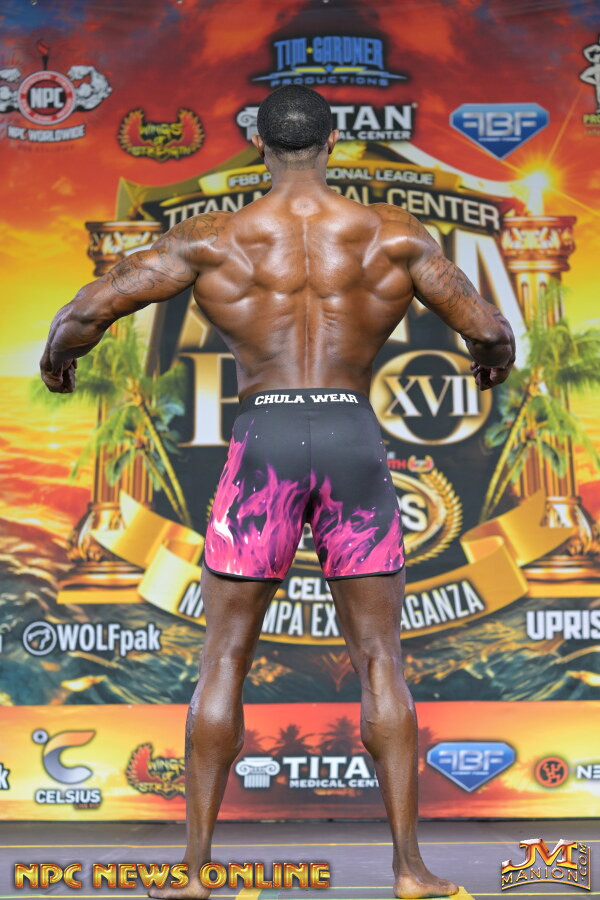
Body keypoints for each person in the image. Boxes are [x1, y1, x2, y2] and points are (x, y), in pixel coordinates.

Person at [41, 85, 515, 900]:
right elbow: (490, 330)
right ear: (333, 144)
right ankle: (409, 871)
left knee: (224, 655)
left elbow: (92, 309)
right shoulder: (395, 235)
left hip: (265, 441)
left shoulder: (210, 238)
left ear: (259, 145)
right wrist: (489, 363)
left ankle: (195, 872)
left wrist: (60, 357)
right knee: (380, 658)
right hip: (351, 436)